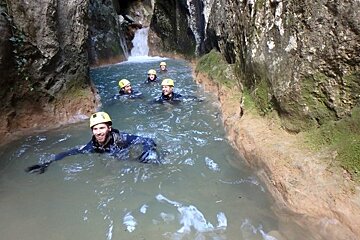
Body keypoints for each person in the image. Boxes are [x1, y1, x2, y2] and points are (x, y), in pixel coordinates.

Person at [25, 112, 160, 174]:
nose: (98, 132)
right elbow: (70, 152)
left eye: (102, 128)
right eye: (95, 129)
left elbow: (148, 140)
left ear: (109, 128)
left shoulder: (122, 138)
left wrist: (148, 152)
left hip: (128, 152)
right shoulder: (93, 146)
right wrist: (48, 163)